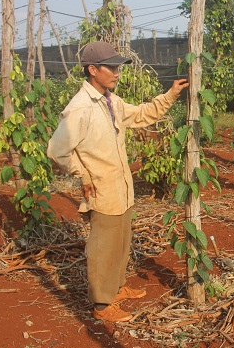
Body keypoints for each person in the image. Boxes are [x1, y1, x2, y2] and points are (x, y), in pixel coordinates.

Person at [47, 41, 189, 322]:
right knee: (103, 248)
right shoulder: (80, 108)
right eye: (111, 67)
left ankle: (116, 288)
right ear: (92, 69)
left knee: (121, 243)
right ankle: (102, 304)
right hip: (102, 188)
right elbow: (56, 151)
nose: (117, 72)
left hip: (120, 189)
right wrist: (83, 175)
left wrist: (170, 95)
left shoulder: (111, 101)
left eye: (117, 66)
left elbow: (140, 115)